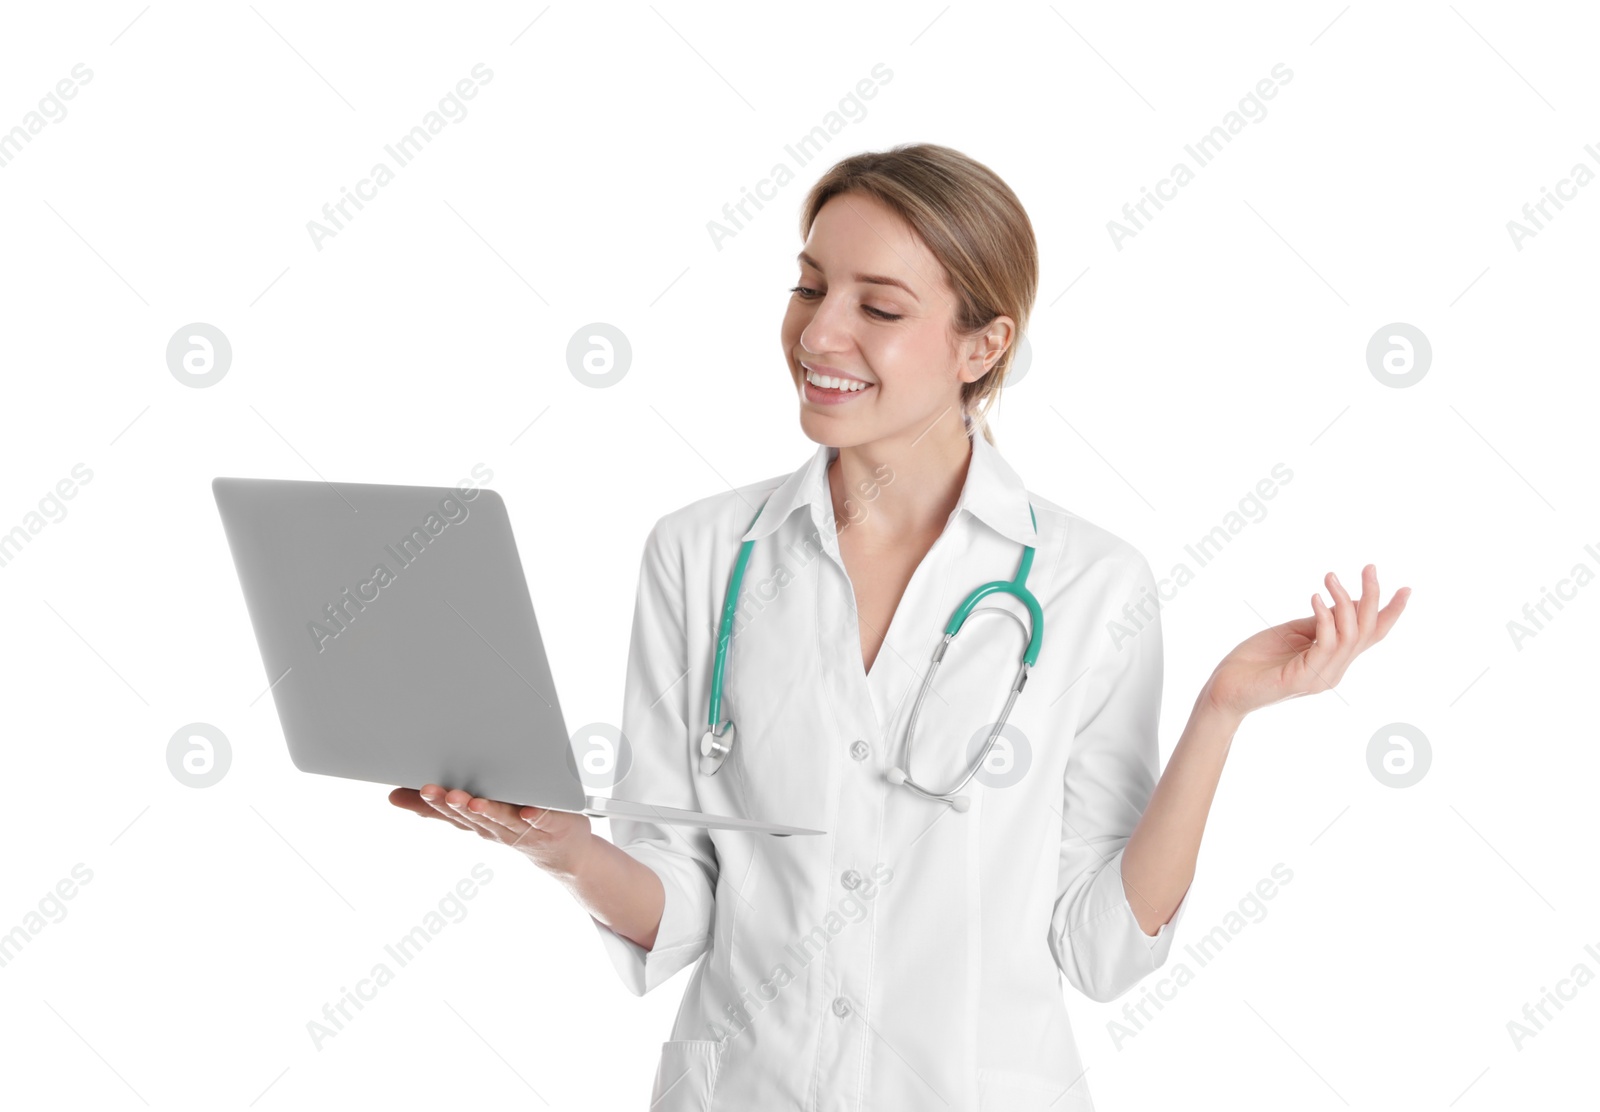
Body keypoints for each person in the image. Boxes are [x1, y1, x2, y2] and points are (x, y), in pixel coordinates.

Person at [388, 143, 1410, 1110]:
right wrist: (564, 848)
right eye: (807, 287)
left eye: (877, 306)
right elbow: (682, 900)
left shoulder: (1091, 584)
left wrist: (1219, 712)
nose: (818, 333)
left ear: (984, 342)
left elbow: (1101, 948)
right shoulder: (700, 554)